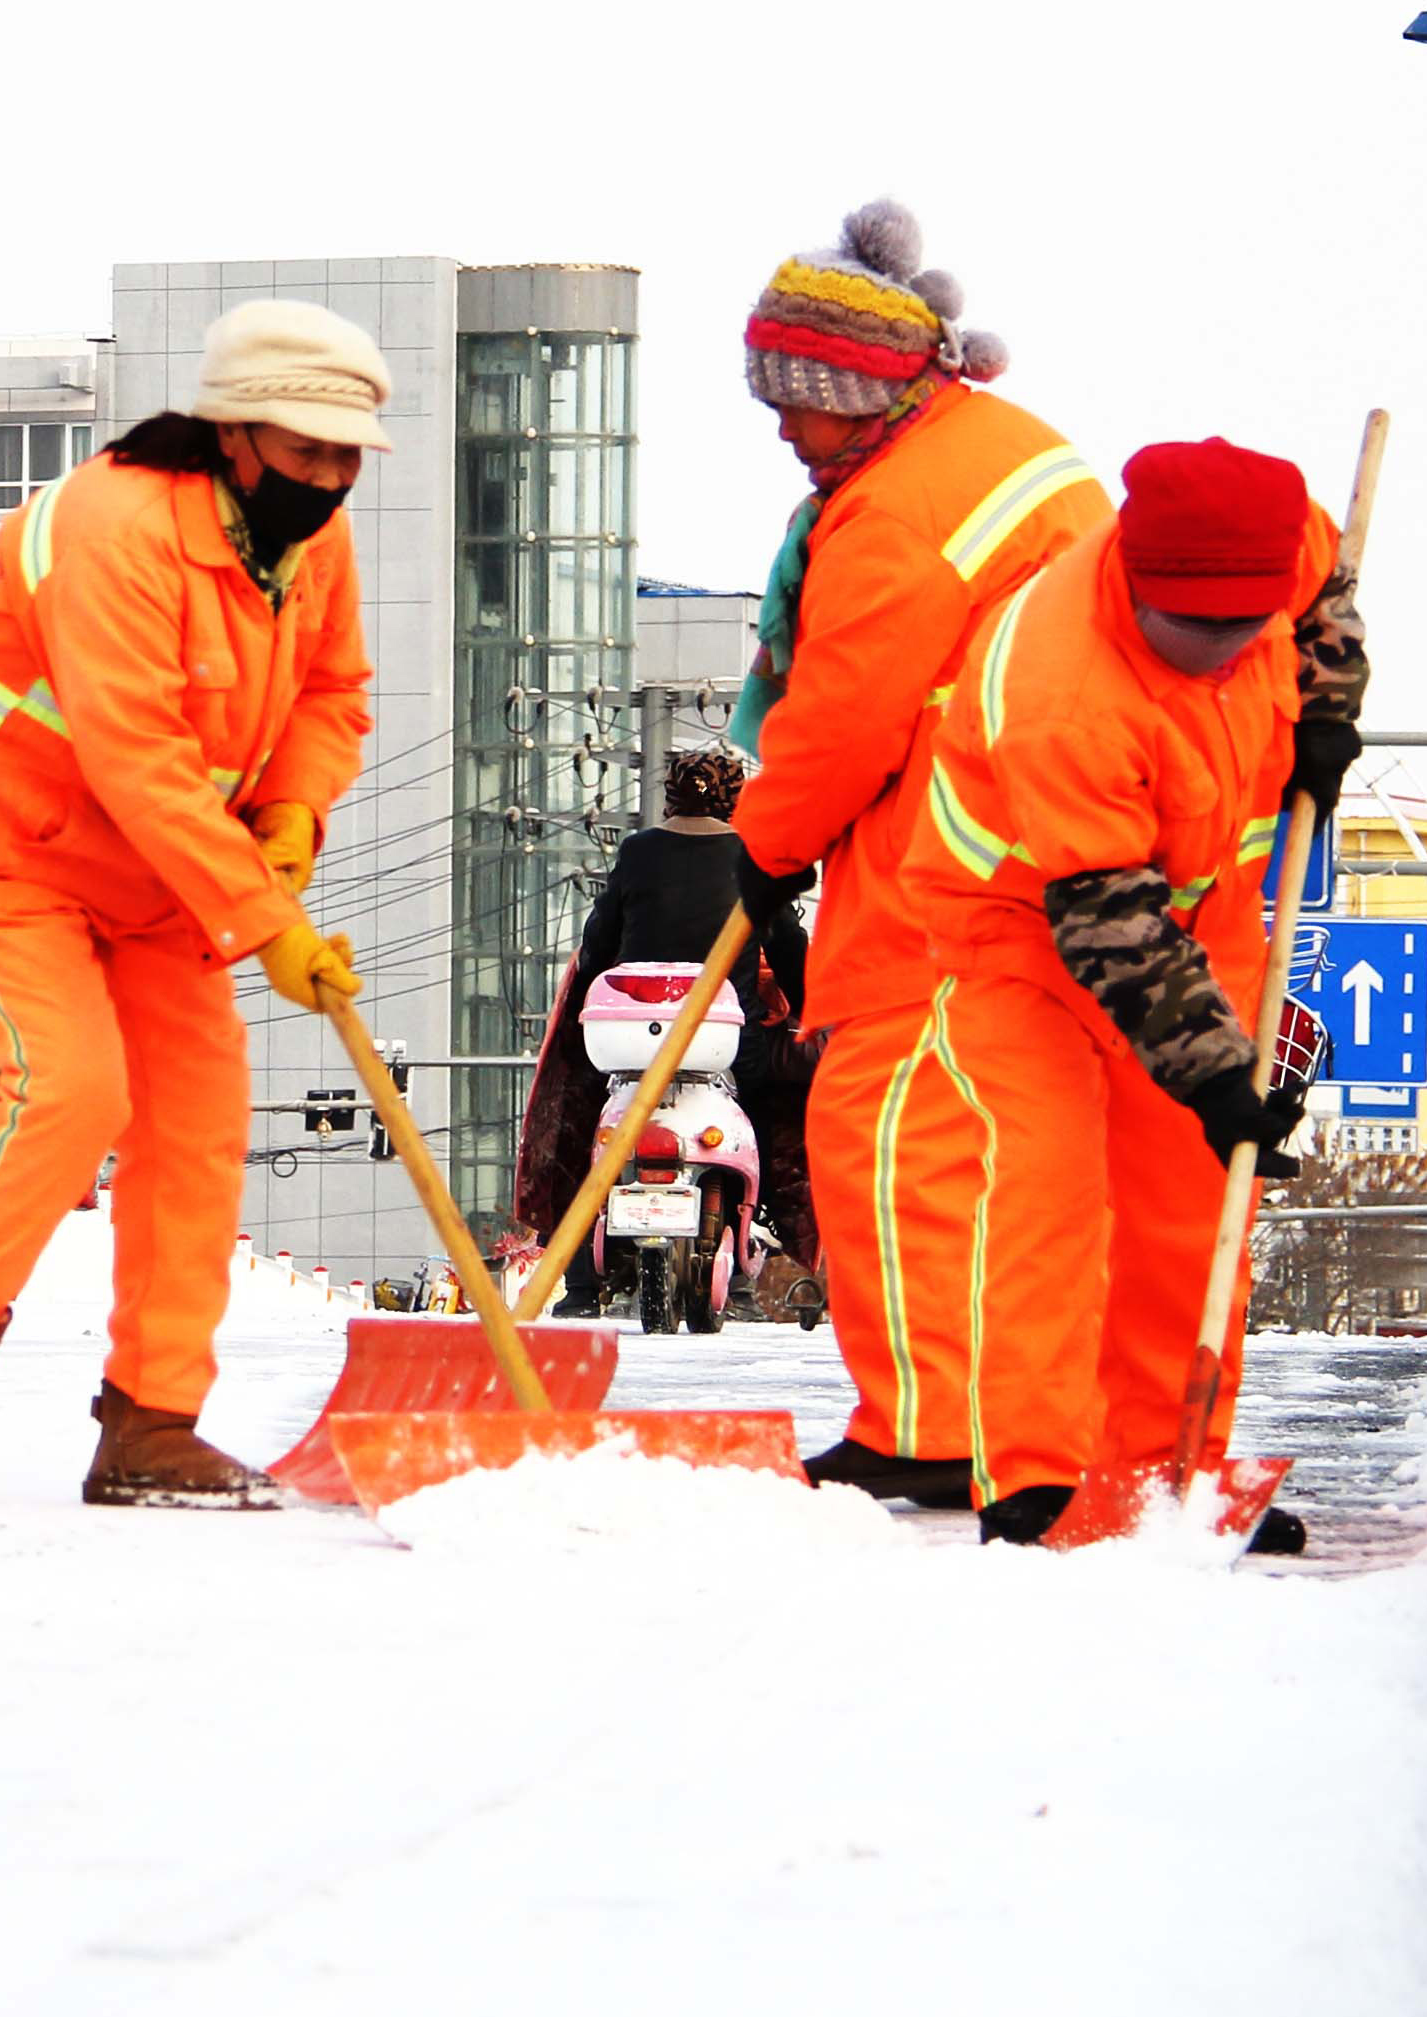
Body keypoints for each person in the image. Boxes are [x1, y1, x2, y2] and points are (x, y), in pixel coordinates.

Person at [0, 300, 377, 1510]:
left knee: (198, 1120)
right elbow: (135, 753)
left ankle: (152, 1423)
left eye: (347, 454)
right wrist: (267, 922)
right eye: (307, 451)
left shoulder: (311, 544)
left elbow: (334, 692)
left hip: (152, 871)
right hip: (4, 835)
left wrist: (298, 810)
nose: (330, 476)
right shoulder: (114, 527)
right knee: (75, 1084)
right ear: (233, 435)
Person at [903, 437, 1364, 1544]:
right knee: (1050, 1187)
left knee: (1191, 1202)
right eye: (1190, 630)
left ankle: (1168, 1476)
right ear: (1135, 577)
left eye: (1239, 629)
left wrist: (1329, 706)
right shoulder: (1067, 692)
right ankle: (1038, 1475)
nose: (1218, 652)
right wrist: (1213, 1077)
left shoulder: (1281, 533)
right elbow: (1109, 924)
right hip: (1018, 929)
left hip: (1202, 913)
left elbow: (1329, 601)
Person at [724, 200, 1109, 1512]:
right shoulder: (1010, 449)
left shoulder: (894, 513)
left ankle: (928, 1428)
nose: (781, 427)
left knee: (885, 1135)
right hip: (1045, 851)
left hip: (948, 870)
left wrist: (758, 851)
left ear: (853, 389)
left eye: (793, 403)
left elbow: (841, 716)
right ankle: (956, 1420)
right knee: (985, 1157)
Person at [516, 744, 816, 1313]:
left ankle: (581, 1284)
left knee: (586, 1129)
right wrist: (806, 1007)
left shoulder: (637, 852)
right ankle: (764, 1236)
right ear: (737, 799)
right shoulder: (756, 856)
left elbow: (598, 943)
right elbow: (790, 946)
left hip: (629, 1038)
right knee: (780, 1107)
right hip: (726, 1040)